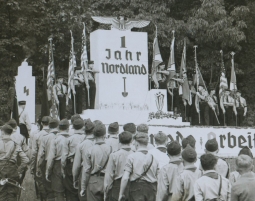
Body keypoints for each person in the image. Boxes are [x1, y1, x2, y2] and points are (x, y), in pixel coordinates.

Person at [119, 132, 159, 201]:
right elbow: (158, 177)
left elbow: (125, 178)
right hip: (151, 190)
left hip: (136, 190)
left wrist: (121, 194)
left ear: (136, 143)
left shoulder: (131, 157)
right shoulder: (154, 159)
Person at [80, 122, 112, 201]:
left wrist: (83, 187)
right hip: (107, 180)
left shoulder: (89, 150)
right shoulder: (110, 149)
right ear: (104, 135)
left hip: (93, 181)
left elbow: (86, 170)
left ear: (94, 136)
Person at [0, 124, 29, 201]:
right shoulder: (16, 145)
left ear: (2, 132)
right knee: (12, 193)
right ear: (11, 133)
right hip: (12, 170)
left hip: (0, 170)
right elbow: (26, 160)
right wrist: (19, 170)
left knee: (1, 193)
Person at [104, 131, 133, 201]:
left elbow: (109, 176)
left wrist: (106, 192)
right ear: (131, 140)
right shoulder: (135, 154)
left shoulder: (114, 155)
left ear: (119, 141)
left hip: (117, 185)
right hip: (132, 186)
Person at [62, 118, 86, 200]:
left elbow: (64, 157)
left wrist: (63, 168)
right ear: (83, 127)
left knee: (71, 190)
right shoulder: (86, 138)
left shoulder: (69, 139)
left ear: (73, 127)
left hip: (71, 165)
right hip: (84, 165)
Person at [46, 119, 70, 201]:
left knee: (59, 192)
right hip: (69, 165)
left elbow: (51, 157)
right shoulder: (70, 138)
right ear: (68, 128)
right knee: (70, 191)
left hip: (57, 166)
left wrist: (48, 171)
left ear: (59, 128)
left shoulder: (55, 139)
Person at [36, 118, 59, 201]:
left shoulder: (45, 138)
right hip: (59, 163)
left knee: (48, 188)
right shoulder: (61, 137)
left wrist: (38, 166)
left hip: (46, 162)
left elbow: (41, 154)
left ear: (49, 126)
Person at [72, 118, 95, 201]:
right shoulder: (101, 144)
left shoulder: (81, 145)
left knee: (83, 197)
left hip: (84, 172)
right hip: (98, 175)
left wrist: (75, 179)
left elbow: (76, 166)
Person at [30, 116, 51, 200]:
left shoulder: (37, 135)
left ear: (42, 123)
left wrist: (32, 166)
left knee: (40, 182)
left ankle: (42, 197)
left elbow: (34, 152)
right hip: (51, 160)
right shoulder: (53, 135)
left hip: (40, 160)